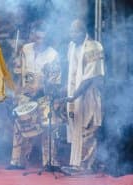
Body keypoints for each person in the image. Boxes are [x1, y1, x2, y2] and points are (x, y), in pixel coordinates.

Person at [6, 23, 62, 170]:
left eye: (42, 36)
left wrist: (39, 91)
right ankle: (17, 161)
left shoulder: (53, 55)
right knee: (19, 125)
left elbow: (55, 83)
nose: (39, 40)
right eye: (36, 36)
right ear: (33, 35)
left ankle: (50, 162)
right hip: (25, 95)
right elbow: (19, 75)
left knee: (48, 126)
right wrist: (16, 96)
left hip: (44, 96)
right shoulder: (25, 49)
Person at [62, 19, 105, 174]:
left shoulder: (94, 47)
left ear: (84, 31)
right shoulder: (72, 46)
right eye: (71, 31)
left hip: (88, 96)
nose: (72, 34)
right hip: (74, 96)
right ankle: (76, 165)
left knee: (87, 129)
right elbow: (71, 72)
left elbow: (90, 77)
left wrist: (74, 95)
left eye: (76, 31)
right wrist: (66, 90)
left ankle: (85, 167)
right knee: (76, 131)